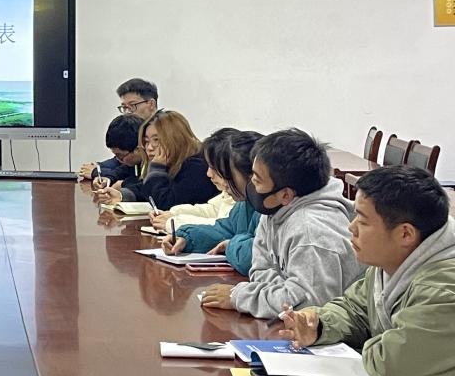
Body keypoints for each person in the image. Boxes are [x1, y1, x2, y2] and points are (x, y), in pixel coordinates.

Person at [280, 166, 455, 376]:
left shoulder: (444, 289)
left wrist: (373, 343)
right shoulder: (393, 262)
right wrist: (319, 324)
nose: (351, 227)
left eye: (362, 221)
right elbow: (355, 308)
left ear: (405, 234)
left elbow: (395, 365)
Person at [199, 128, 364, 318]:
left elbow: (309, 306)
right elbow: (259, 269)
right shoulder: (274, 210)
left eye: (257, 180)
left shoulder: (310, 232)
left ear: (286, 194)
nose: (251, 185)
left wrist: (240, 297)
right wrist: (283, 291)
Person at [162, 130, 263, 275]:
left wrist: (231, 245)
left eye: (220, 170)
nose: (209, 174)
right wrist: (186, 238)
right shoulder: (245, 204)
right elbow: (223, 229)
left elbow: (256, 254)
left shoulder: (270, 207)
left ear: (251, 173)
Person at [96, 110, 217, 209]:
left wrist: (157, 168)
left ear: (177, 139)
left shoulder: (198, 165)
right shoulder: (173, 161)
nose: (149, 148)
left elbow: (165, 203)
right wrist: (122, 195)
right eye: (146, 141)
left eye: (156, 140)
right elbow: (148, 189)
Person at [149, 127, 238, 229]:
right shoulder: (229, 191)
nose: (209, 174)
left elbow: (225, 227)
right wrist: (173, 213)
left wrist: (175, 222)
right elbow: (213, 210)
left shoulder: (194, 166)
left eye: (214, 167)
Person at [77, 114, 144, 186]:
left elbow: (143, 183)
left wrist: (122, 184)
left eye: (120, 156)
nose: (118, 160)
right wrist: (108, 179)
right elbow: (121, 171)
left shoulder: (151, 165)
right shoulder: (134, 163)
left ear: (138, 150)